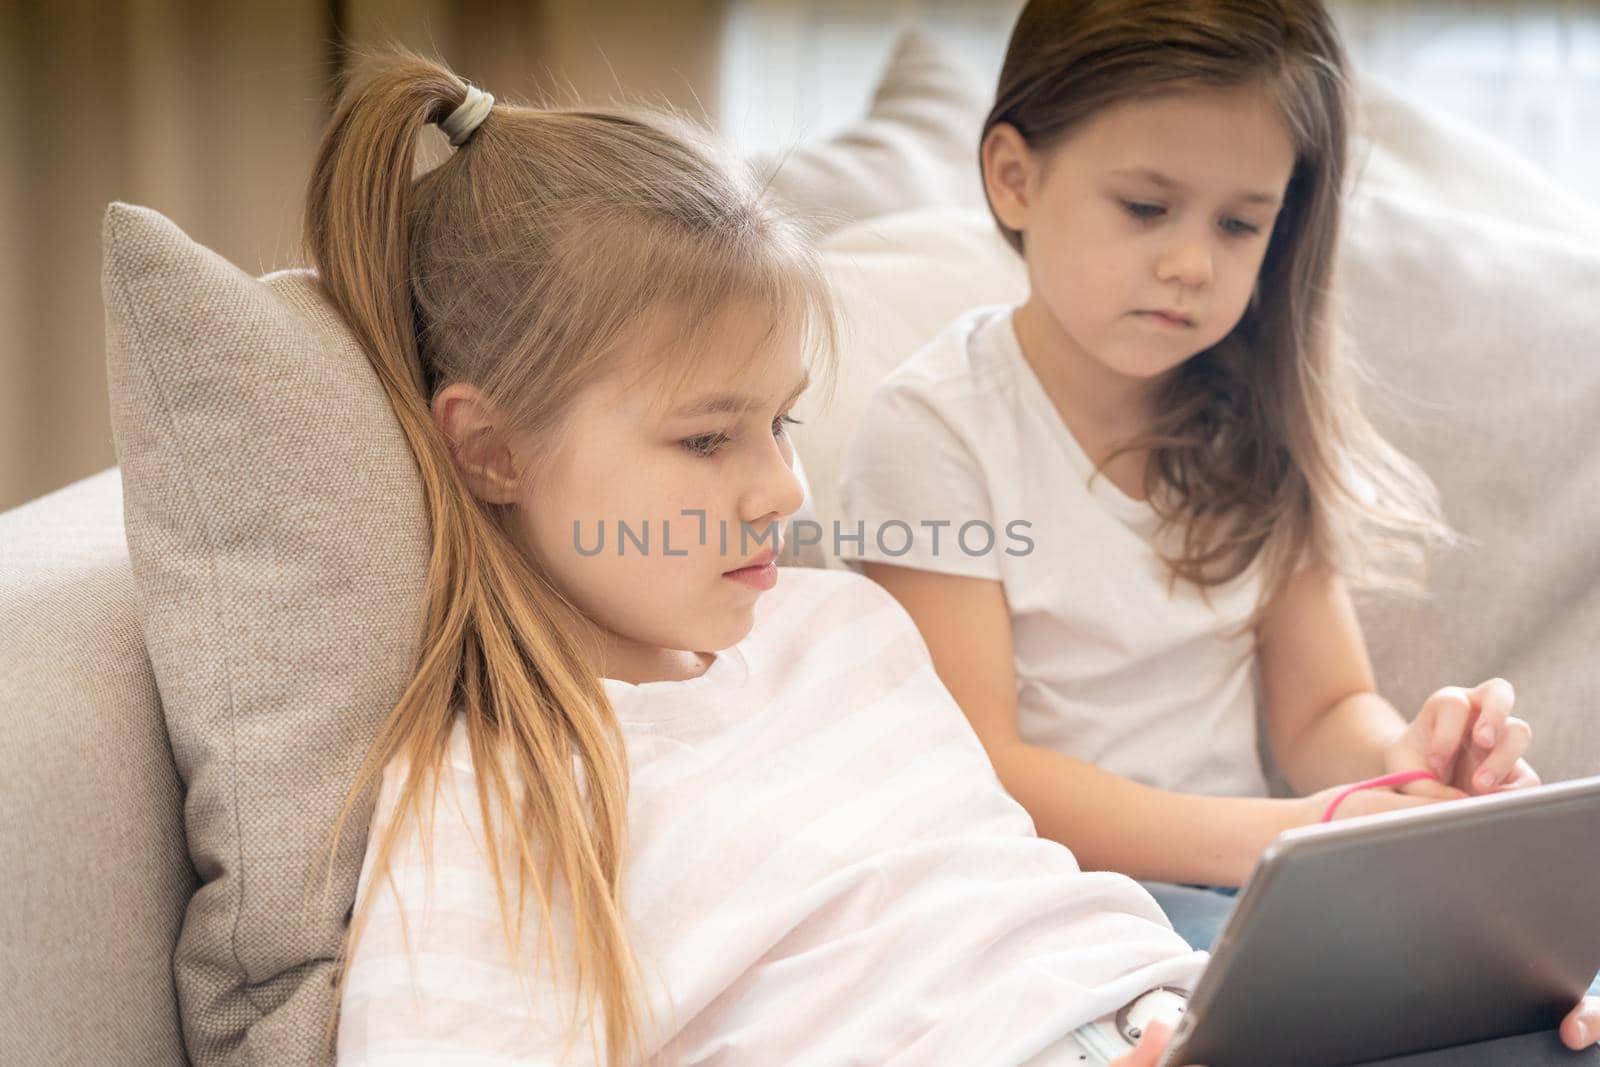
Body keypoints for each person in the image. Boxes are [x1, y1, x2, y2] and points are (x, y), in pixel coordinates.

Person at [837, 0, 1563, 956]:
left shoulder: (1253, 423)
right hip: (1045, 907)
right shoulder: (935, 426)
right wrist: (1297, 830)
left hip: (1244, 892)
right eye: (1146, 208)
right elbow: (986, 769)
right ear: (1014, 179)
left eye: (1238, 223)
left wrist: (1403, 772)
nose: (1190, 263)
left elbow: (1322, 709)